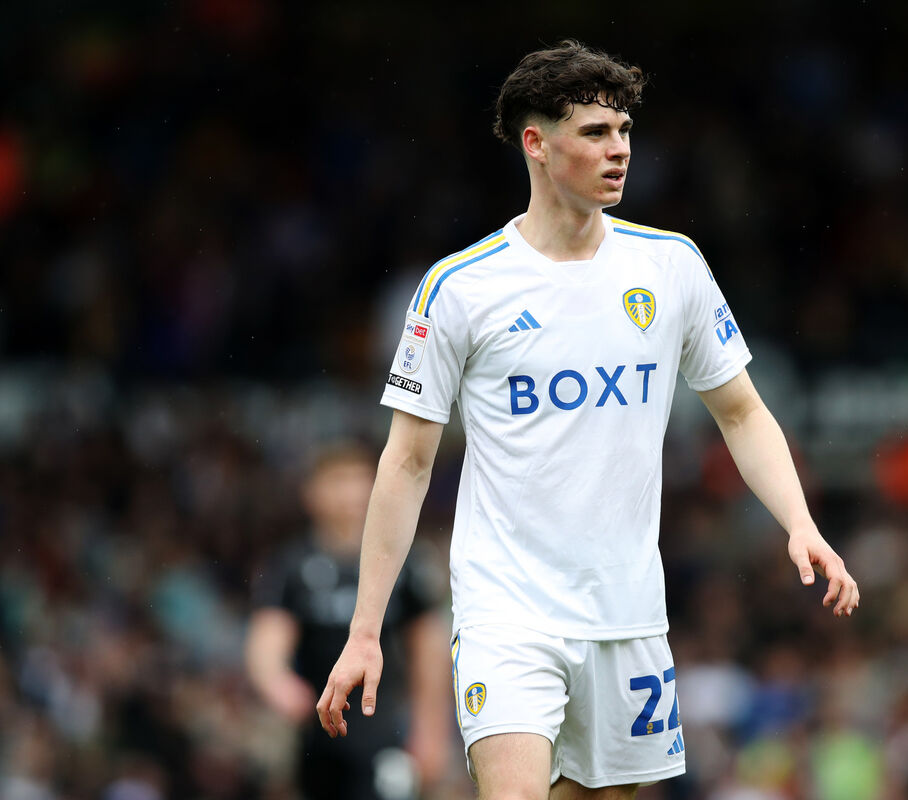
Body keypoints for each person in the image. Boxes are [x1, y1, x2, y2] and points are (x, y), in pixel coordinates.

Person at [317, 40, 860, 800]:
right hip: (507, 611)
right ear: (536, 145)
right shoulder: (462, 287)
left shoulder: (670, 267)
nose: (621, 150)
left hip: (628, 615)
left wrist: (799, 522)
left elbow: (741, 411)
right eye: (596, 133)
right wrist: (365, 630)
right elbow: (407, 462)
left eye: (625, 131)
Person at [247, 443, 450, 799]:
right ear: (312, 493)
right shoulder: (292, 565)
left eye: (361, 480)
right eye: (339, 481)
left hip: (384, 731)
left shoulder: (406, 562)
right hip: (312, 732)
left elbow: (429, 652)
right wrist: (277, 683)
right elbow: (268, 638)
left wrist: (431, 732)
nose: (353, 492)